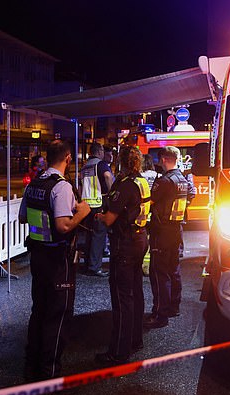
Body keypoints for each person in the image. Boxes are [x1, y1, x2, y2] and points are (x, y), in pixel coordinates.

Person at [19, 140, 91, 381]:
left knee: (38, 310)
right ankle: (49, 372)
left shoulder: (34, 184)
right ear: (68, 158)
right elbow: (63, 225)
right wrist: (82, 211)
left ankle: (32, 365)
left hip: (37, 256)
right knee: (58, 314)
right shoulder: (61, 187)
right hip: (58, 259)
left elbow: (22, 218)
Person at [94, 145, 150, 365]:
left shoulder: (126, 185)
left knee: (121, 298)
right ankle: (135, 340)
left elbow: (109, 218)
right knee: (136, 293)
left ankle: (119, 351)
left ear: (122, 161)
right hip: (140, 240)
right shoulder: (142, 182)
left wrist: (99, 217)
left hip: (125, 244)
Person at [144, 146, 189, 329]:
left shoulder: (164, 181)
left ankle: (160, 314)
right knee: (174, 270)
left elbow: (150, 200)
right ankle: (173, 307)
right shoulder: (183, 179)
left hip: (162, 231)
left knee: (159, 273)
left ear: (163, 159)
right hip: (176, 230)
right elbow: (190, 196)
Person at [80, 142, 114, 277]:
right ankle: (95, 267)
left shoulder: (85, 166)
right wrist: (112, 193)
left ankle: (87, 264)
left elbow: (81, 186)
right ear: (99, 151)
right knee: (99, 236)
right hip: (99, 203)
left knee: (89, 236)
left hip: (86, 205)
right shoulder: (101, 164)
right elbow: (107, 176)